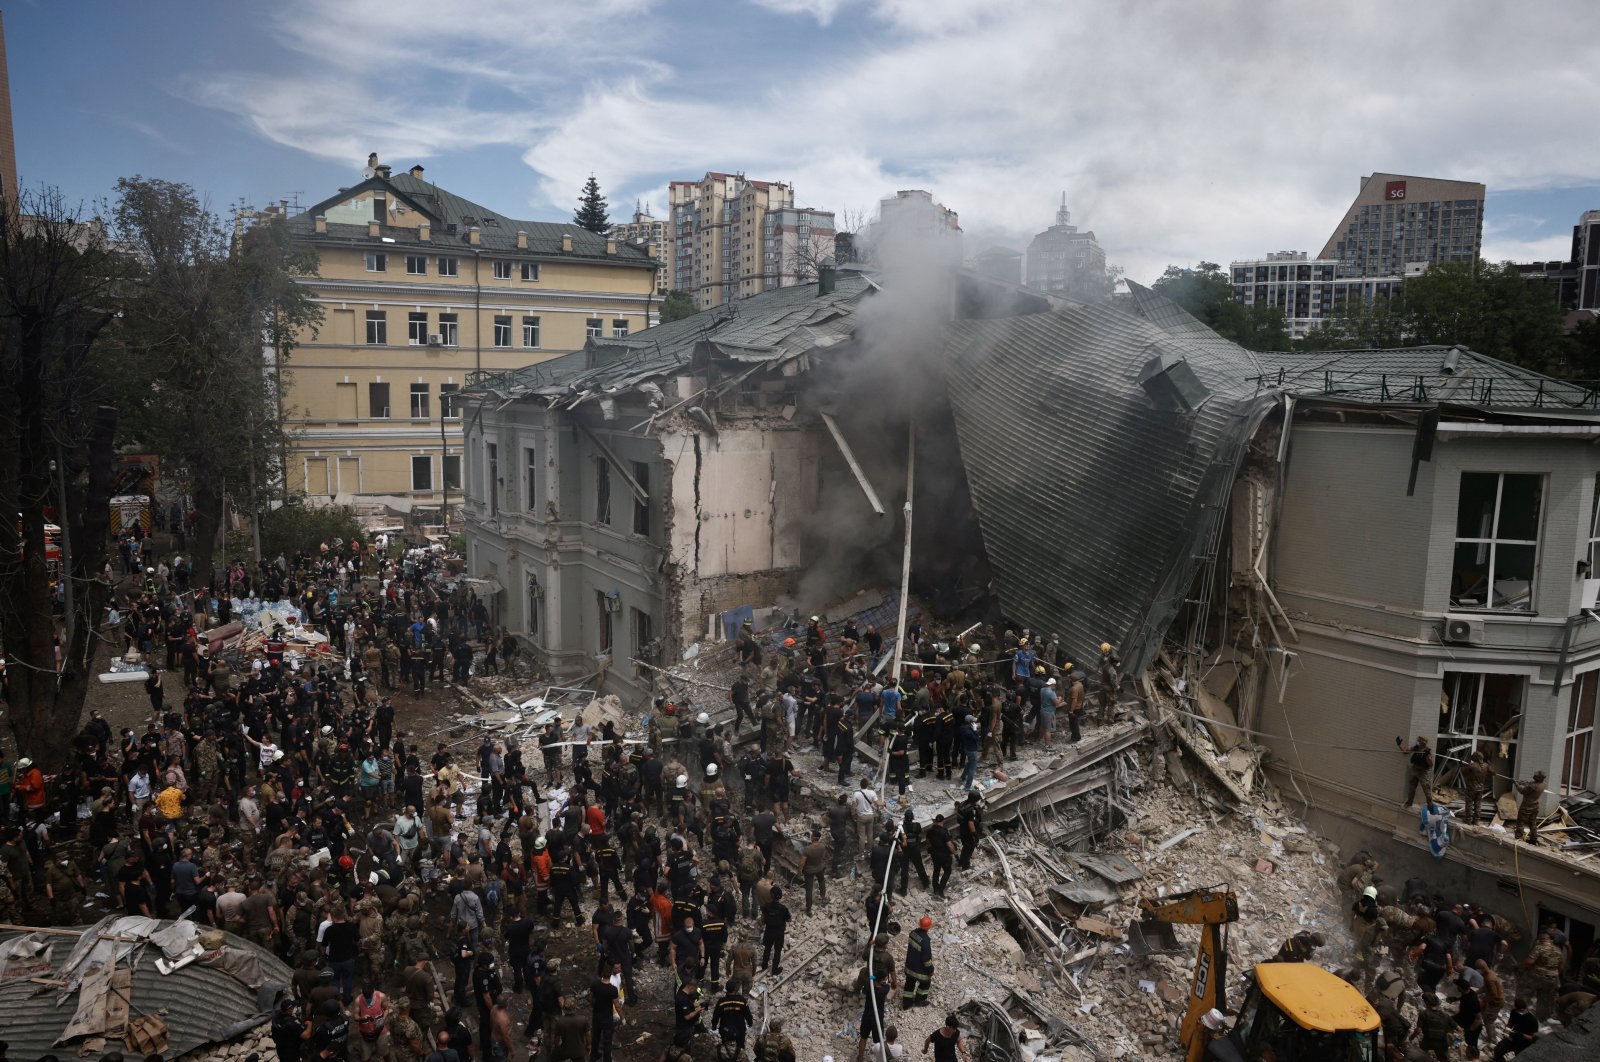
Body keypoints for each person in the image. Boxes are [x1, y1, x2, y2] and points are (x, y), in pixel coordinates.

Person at [712, 981, 753, 1058]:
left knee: (725, 1049)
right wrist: (750, 1023)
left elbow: (716, 1015)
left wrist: (714, 1026)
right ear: (735, 989)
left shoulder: (722, 1001)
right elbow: (747, 1014)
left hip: (725, 1030)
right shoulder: (741, 1000)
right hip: (739, 1030)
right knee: (739, 1049)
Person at [902, 916, 934, 1008]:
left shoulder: (913, 933)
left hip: (909, 966)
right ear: (929, 927)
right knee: (925, 983)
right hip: (919, 970)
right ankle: (919, 1001)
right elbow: (926, 959)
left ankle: (906, 1003)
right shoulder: (925, 940)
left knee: (909, 983)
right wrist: (931, 970)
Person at [759, 884, 790, 976]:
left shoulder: (766, 906)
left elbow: (763, 918)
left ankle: (764, 966)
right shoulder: (783, 908)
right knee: (777, 950)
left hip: (769, 930)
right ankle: (775, 970)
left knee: (767, 948)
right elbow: (789, 919)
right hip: (779, 932)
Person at [1396, 736, 1433, 807]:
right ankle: (1409, 803)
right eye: (1418, 741)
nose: (1418, 742)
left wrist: (1427, 757)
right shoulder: (1416, 748)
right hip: (1414, 770)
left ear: (1423, 743)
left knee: (1426, 789)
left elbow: (1431, 764)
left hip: (1422, 772)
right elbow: (1405, 752)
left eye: (1419, 741)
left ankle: (1430, 805)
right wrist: (1399, 745)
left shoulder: (1427, 752)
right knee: (1411, 788)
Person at [1414, 994, 1453, 1061]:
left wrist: (1411, 1037)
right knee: (1443, 1059)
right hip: (1442, 1042)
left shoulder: (1423, 1013)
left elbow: (1418, 1030)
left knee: (1421, 1057)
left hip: (1428, 1040)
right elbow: (1456, 1028)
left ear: (1427, 1002)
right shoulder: (1445, 1015)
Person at [1461, 751, 1494, 826]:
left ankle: (1468, 820)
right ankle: (1476, 821)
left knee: (1469, 804)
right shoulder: (1486, 766)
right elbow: (1493, 773)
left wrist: (1462, 766)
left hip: (1471, 788)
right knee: (1478, 804)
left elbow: (1463, 772)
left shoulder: (1472, 766)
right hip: (1480, 789)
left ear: (1476, 758)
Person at [1513, 772, 1547, 845]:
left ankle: (1518, 839)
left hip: (1527, 806)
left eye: (1536, 776)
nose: (1534, 776)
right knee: (1532, 823)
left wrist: (1516, 783)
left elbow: (1522, 790)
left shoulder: (1533, 786)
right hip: (1535, 806)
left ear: (1538, 778)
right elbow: (1531, 784)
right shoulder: (1543, 784)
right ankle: (1533, 839)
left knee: (1521, 822)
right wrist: (1523, 782)